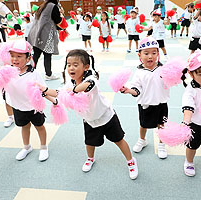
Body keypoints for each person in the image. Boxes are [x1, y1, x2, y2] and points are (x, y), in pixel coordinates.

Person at [37, 49, 139, 180]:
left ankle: (131, 161)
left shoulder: (91, 78)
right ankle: (90, 158)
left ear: (86, 67)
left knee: (118, 140)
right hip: (89, 120)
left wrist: (72, 91)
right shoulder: (70, 83)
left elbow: (88, 86)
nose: (71, 68)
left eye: (75, 64)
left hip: (106, 117)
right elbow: (59, 92)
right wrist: (44, 89)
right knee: (90, 143)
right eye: (68, 65)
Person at [0, 41, 49, 161]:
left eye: (19, 56)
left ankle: (44, 147)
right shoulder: (7, 70)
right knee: (24, 127)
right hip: (17, 107)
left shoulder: (34, 73)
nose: (15, 59)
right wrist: (0, 68)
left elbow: (43, 90)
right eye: (12, 56)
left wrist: (54, 101)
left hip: (33, 108)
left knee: (39, 126)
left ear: (28, 57)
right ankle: (27, 147)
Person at [120, 37, 169, 159]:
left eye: (153, 53)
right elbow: (136, 89)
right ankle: (142, 140)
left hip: (161, 103)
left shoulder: (164, 69)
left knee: (161, 125)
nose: (150, 56)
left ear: (158, 54)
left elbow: (173, 80)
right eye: (146, 53)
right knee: (143, 125)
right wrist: (128, 90)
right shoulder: (139, 72)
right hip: (145, 104)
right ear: (140, 56)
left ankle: (162, 144)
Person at [28, 0, 64, 81]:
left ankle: (30, 73)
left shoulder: (43, 6)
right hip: (46, 34)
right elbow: (58, 20)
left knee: (36, 55)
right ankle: (48, 74)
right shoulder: (53, 6)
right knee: (47, 55)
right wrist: (61, 13)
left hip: (37, 34)